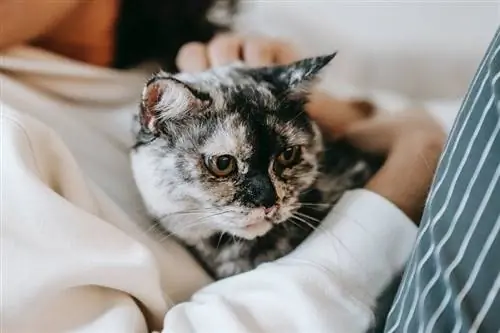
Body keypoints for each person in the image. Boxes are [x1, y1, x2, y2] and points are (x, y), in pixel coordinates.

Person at [1, 1, 448, 332]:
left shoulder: (254, 31)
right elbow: (429, 147)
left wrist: (344, 121)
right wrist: (398, 194)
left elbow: (435, 125)